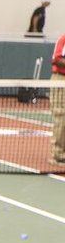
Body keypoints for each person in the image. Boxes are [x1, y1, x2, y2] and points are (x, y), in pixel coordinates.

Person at [52, 32, 65, 165]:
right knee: (61, 117)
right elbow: (57, 59)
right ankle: (58, 155)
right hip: (61, 80)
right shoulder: (64, 39)